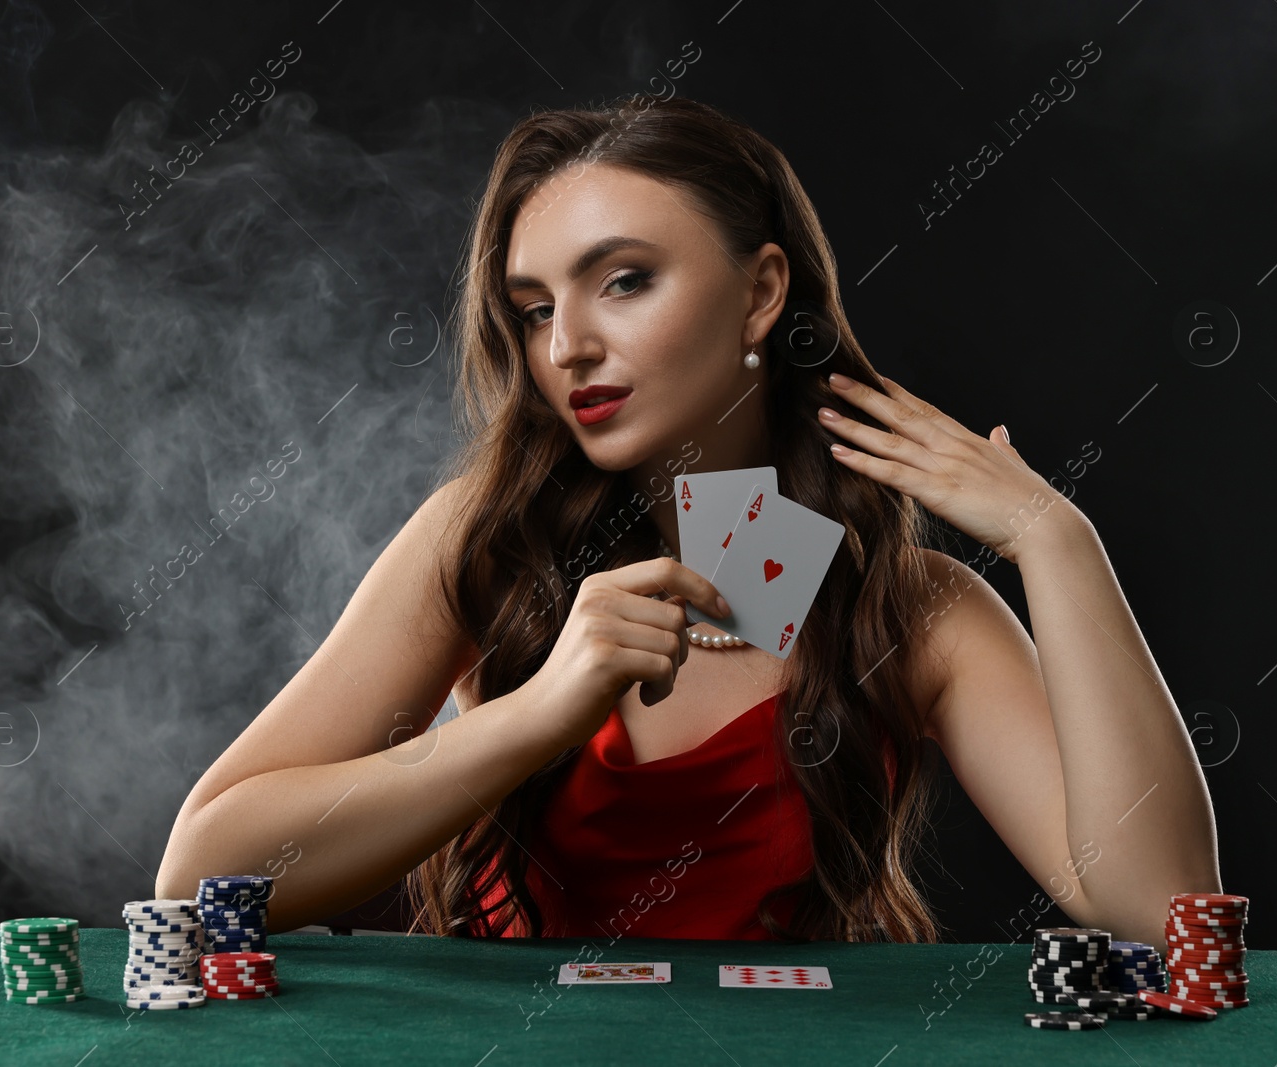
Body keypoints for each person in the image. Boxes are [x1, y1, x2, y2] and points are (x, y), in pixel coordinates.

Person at [156, 95, 1219, 948]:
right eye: (533, 308)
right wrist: (537, 714)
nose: (567, 344)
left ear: (761, 293)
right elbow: (201, 877)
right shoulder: (484, 540)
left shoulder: (909, 608)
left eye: (623, 281)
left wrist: (1054, 538)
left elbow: (1160, 912)